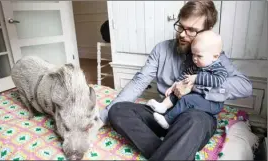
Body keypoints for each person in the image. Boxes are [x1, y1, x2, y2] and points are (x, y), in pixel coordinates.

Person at [100, 0, 252, 160]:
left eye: (191, 30)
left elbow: (245, 86)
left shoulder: (215, 57)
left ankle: (175, 147)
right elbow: (139, 82)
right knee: (117, 110)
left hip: (195, 116)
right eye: (180, 26)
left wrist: (196, 84)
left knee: (193, 121)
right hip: (164, 114)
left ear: (207, 31)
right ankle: (175, 149)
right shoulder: (161, 49)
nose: (182, 34)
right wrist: (101, 118)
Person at [147, 30, 228, 129]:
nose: (194, 58)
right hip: (199, 96)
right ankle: (163, 106)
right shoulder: (197, 66)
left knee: (187, 99)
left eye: (199, 56)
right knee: (178, 90)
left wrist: (196, 78)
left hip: (212, 102)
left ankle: (167, 120)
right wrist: (175, 85)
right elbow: (185, 75)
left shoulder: (219, 69)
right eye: (193, 54)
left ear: (215, 56)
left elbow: (217, 81)